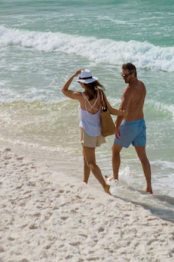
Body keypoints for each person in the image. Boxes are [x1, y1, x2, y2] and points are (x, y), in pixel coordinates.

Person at [61, 69, 125, 193]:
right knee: (86, 157)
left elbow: (64, 90)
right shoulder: (100, 94)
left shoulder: (81, 96)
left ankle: (104, 185)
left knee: (91, 163)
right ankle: (85, 181)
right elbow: (111, 110)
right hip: (97, 131)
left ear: (84, 84)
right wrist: (123, 113)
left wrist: (74, 75)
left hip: (86, 132)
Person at [112, 62, 152, 194]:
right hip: (140, 124)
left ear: (133, 74)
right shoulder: (142, 85)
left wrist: (116, 128)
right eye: (122, 75)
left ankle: (115, 179)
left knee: (115, 150)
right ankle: (149, 187)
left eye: (125, 75)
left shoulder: (128, 90)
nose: (123, 78)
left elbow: (121, 111)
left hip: (129, 125)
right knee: (143, 157)